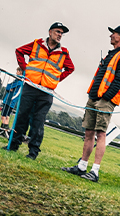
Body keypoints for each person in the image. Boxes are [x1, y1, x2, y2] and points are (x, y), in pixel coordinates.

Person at [62, 26, 120, 181]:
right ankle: (82, 167)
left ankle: (95, 171)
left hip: (104, 100)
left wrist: (106, 97)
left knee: (101, 134)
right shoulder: (111, 54)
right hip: (94, 97)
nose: (111, 35)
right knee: (88, 133)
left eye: (114, 33)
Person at [10, 22, 75, 160]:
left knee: (38, 122)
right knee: (22, 116)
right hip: (30, 86)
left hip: (46, 92)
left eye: (62, 33)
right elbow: (19, 51)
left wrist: (55, 80)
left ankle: (33, 153)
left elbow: (70, 68)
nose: (60, 35)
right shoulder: (36, 44)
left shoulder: (64, 53)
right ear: (50, 32)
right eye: (57, 32)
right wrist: (25, 70)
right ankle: (13, 145)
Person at [0, 67, 23, 137]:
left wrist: (10, 88)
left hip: (9, 100)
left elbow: (8, 87)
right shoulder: (19, 81)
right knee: (7, 116)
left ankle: (4, 130)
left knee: (3, 115)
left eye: (17, 71)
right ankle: (5, 131)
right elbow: (9, 88)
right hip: (11, 101)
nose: (16, 73)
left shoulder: (19, 81)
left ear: (20, 72)